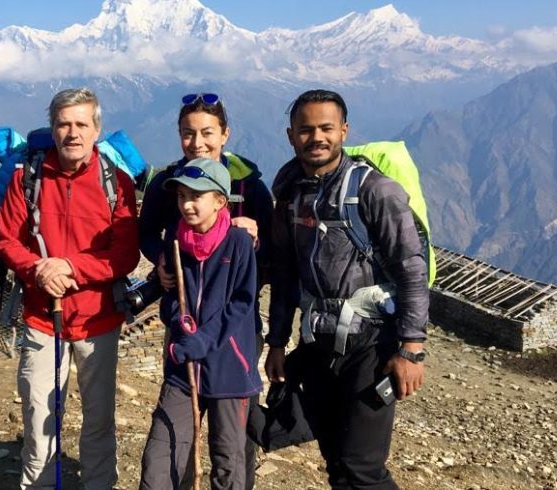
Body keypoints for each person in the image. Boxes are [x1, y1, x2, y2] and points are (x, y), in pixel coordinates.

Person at [264, 89, 429, 489]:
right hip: (318, 343)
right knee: (336, 461)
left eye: (326, 128)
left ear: (344, 131)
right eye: (306, 130)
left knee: (362, 467)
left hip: (372, 346)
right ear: (291, 135)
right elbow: (284, 274)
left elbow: (411, 269)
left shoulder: (376, 191)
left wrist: (411, 349)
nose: (316, 137)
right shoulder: (291, 196)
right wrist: (277, 343)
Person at [0, 87, 140, 489]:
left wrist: (69, 267)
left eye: (81, 124)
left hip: (98, 320)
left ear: (96, 130)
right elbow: (7, 240)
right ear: (52, 128)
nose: (72, 133)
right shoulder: (28, 179)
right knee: (39, 417)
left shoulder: (117, 184)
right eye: (63, 124)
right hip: (43, 318)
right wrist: (39, 270)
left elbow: (124, 254)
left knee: (99, 418)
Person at [137, 91, 273, 486]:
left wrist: (256, 242)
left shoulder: (250, 188)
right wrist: (163, 262)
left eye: (207, 132)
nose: (197, 142)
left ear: (225, 134)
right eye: (188, 133)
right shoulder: (167, 186)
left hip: (234, 344)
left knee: (231, 451)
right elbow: (147, 234)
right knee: (172, 445)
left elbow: (273, 258)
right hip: (186, 338)